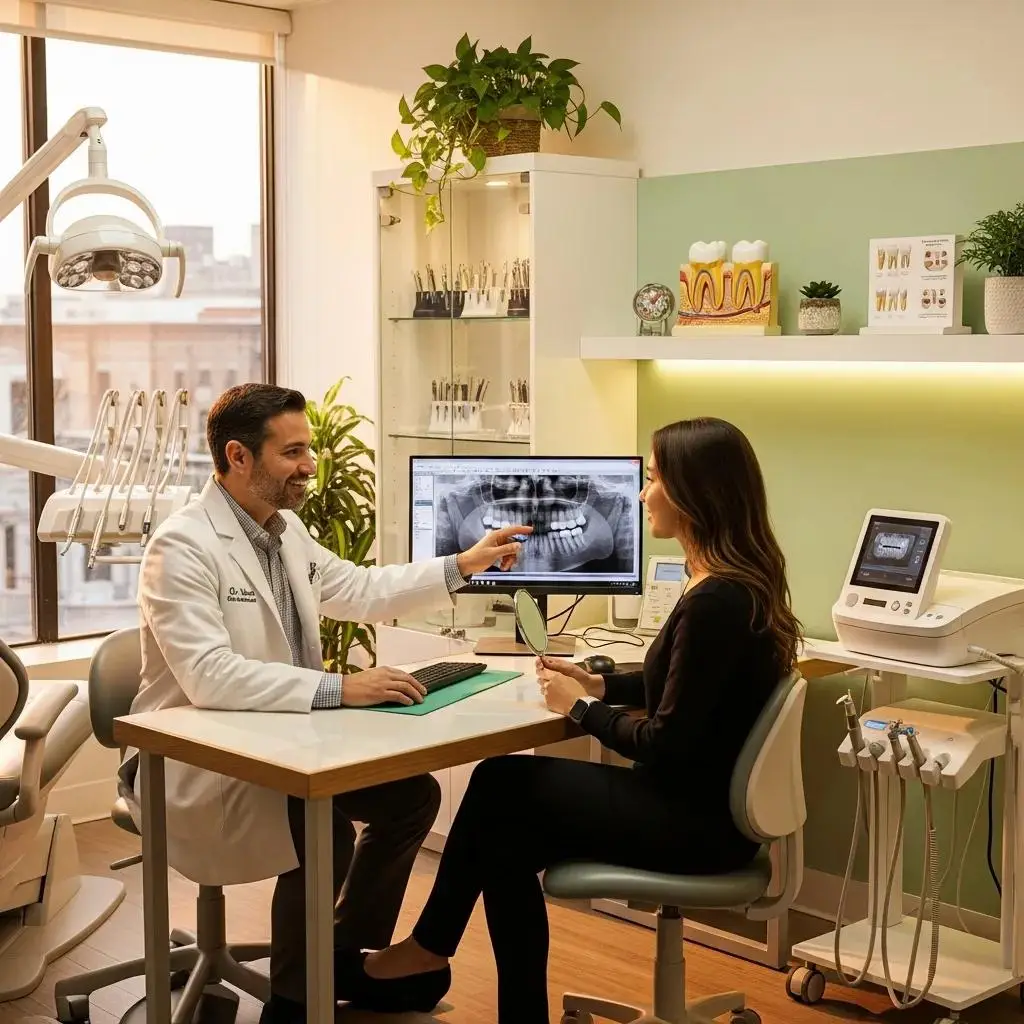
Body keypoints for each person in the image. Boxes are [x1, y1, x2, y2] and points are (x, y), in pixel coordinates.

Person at [337, 416, 804, 1023]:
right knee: (505, 828)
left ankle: (425, 956)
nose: (642, 494)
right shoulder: (739, 585)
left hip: (692, 825)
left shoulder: (714, 600)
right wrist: (601, 682)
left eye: (655, 479)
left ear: (694, 493)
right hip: (706, 812)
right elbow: (689, 689)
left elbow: (667, 739)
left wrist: (580, 709)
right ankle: (452, 974)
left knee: (500, 785)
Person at [115, 383, 531, 1024]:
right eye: (294, 452)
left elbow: (360, 589)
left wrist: (462, 565)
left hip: (280, 743)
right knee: (324, 830)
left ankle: (335, 954)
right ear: (239, 457)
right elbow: (209, 677)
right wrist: (340, 688)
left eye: (309, 449)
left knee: (411, 796)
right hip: (196, 759)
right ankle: (293, 1001)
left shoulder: (285, 531)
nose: (311, 465)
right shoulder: (182, 547)